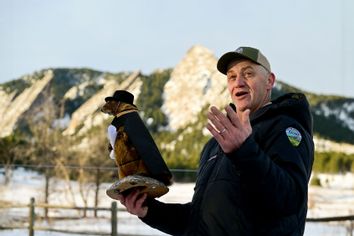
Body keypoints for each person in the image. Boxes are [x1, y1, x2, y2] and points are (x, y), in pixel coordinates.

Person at [117, 46, 314, 236]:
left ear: (269, 81)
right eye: (232, 76)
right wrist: (148, 210)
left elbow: (290, 200)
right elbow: (198, 220)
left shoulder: (285, 129)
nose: (239, 82)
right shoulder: (216, 143)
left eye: (248, 74)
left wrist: (244, 151)